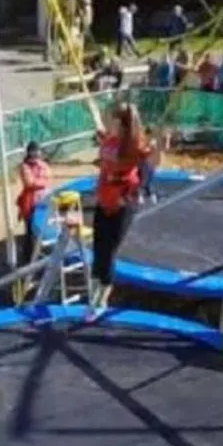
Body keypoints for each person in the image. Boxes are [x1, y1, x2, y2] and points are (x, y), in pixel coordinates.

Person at [88, 102, 153, 314]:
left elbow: (151, 162)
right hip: (103, 199)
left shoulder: (133, 145)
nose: (108, 121)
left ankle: (104, 294)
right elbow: (101, 132)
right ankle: (97, 283)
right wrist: (94, 112)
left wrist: (160, 144)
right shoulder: (110, 139)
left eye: (111, 118)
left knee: (108, 251)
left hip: (122, 203)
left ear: (121, 124)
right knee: (98, 246)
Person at [16, 142, 52, 265]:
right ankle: (28, 259)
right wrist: (41, 181)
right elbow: (29, 183)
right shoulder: (24, 166)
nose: (36, 153)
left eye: (37, 151)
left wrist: (40, 181)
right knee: (30, 231)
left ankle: (39, 255)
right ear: (29, 152)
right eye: (33, 151)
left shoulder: (42, 165)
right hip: (30, 202)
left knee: (42, 228)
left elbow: (47, 176)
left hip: (43, 200)